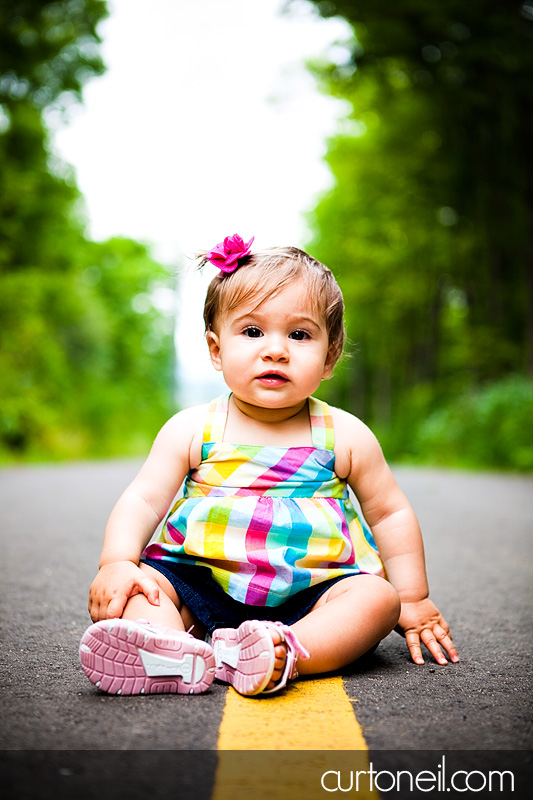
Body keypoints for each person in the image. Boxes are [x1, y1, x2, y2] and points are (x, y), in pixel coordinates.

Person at [80, 234, 459, 697]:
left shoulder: (344, 434)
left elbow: (389, 512)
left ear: (329, 356)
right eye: (253, 332)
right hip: (201, 582)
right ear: (217, 350)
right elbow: (142, 498)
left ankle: (285, 650)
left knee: (378, 599)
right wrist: (116, 562)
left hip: (314, 592)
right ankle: (169, 648)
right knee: (147, 588)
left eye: (299, 335)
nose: (276, 350)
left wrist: (413, 597)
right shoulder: (193, 428)